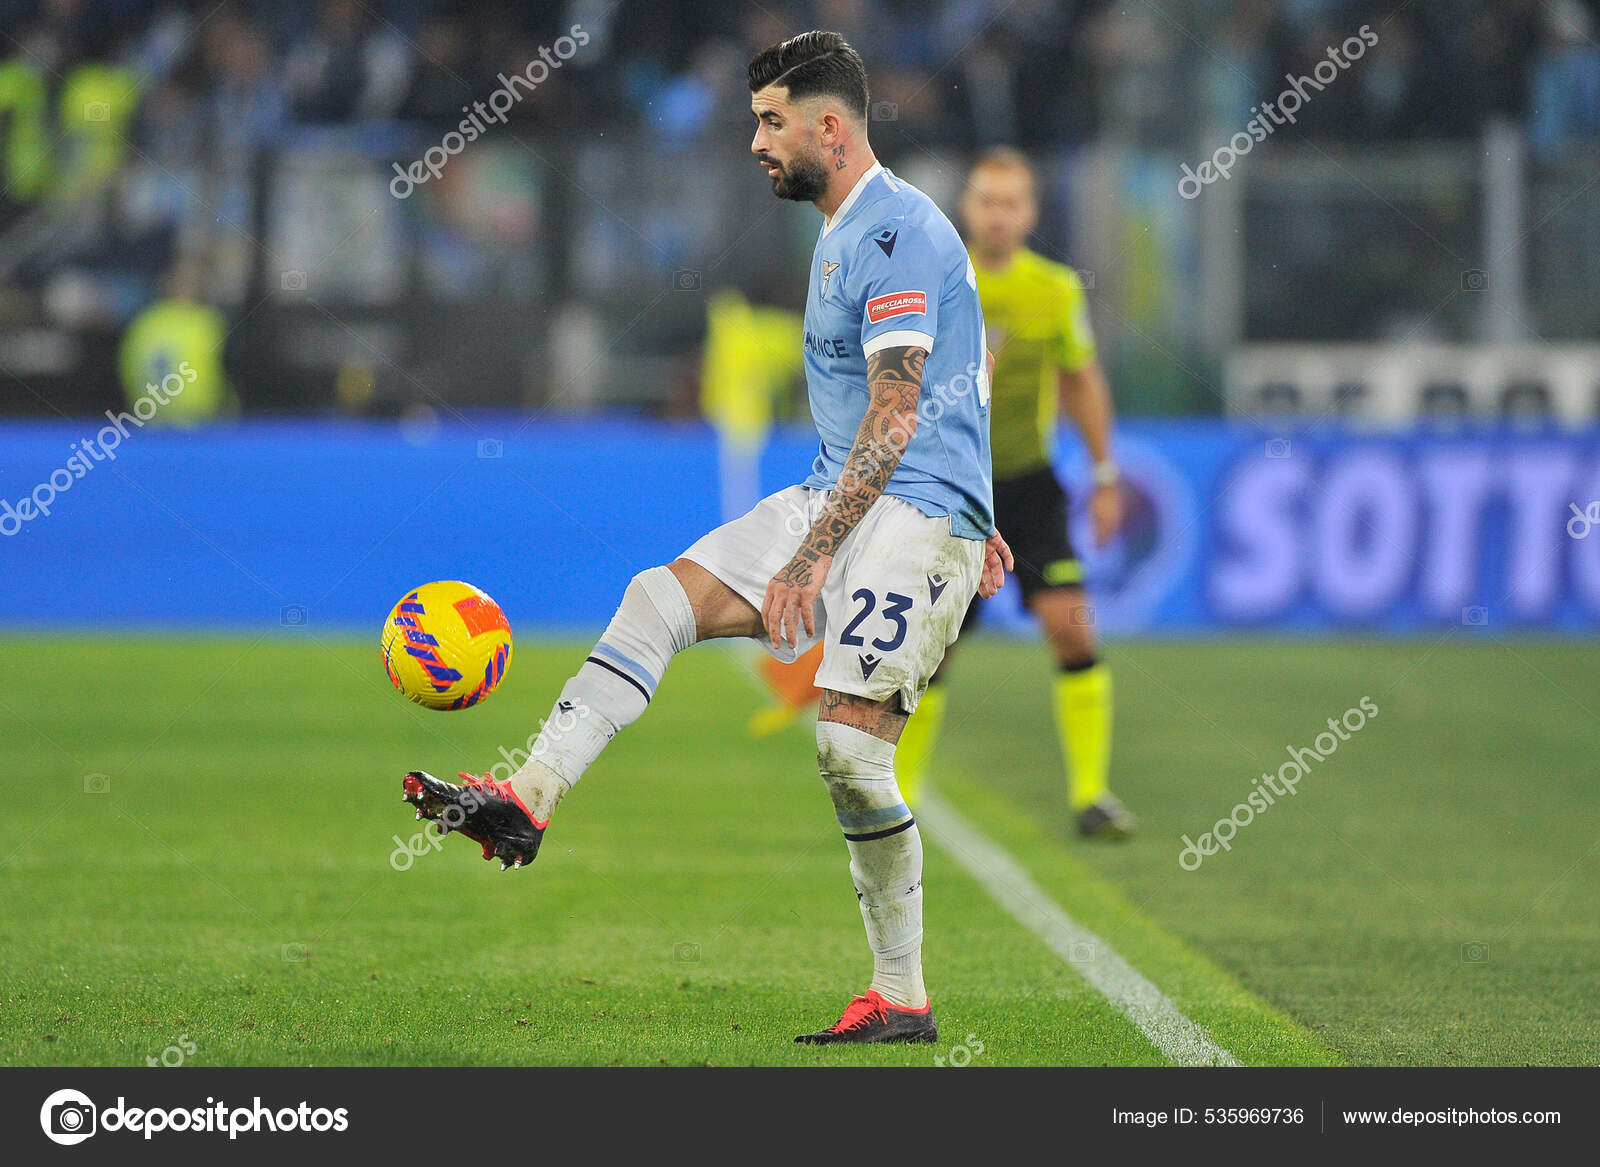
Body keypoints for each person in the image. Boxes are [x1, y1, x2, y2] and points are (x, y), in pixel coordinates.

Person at [398, 31, 1011, 1046]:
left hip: (912, 514)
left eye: (771, 121)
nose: (756, 142)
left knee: (850, 758)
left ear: (829, 125)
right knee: (656, 598)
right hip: (846, 495)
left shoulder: (895, 232)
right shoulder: (843, 232)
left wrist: (879, 541)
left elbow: (900, 413)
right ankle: (530, 795)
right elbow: (952, 376)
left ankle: (900, 994)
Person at [750, 148, 1135, 839]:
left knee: (1071, 626)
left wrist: (1105, 474)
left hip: (1027, 480)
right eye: (987, 200)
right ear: (968, 208)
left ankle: (1092, 793)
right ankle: (906, 792)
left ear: (1030, 213)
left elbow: (1081, 380)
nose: (997, 214)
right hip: (950, 480)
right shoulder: (937, 270)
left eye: (1011, 202)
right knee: (936, 645)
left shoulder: (1054, 291)